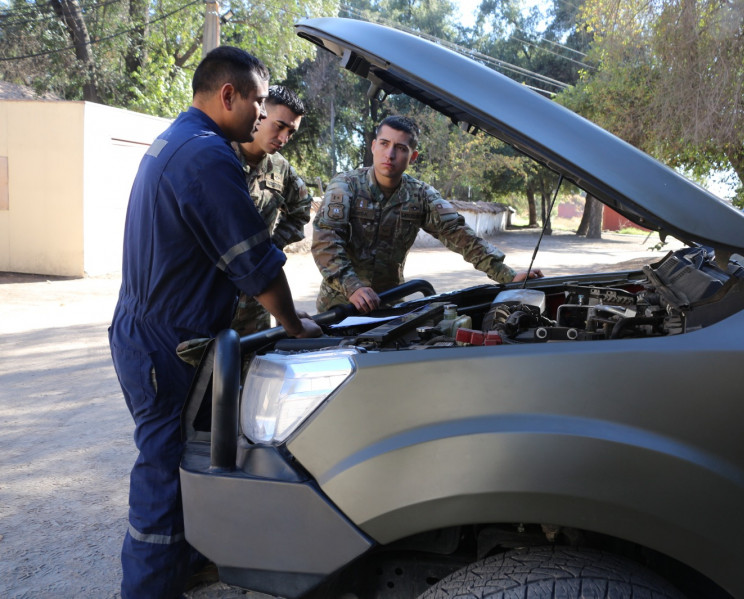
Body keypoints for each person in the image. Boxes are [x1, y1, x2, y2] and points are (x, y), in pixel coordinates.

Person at [108, 46, 320, 599]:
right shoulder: (207, 156)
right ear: (228, 95)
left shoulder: (176, 140)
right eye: (255, 101)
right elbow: (256, 265)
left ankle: (183, 566)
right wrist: (296, 327)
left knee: (187, 460)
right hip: (165, 343)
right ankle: (149, 589)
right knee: (164, 470)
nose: (260, 114)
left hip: (155, 331)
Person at [312, 115, 542, 314]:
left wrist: (507, 275)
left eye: (401, 148)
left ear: (413, 157)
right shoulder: (345, 186)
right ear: (373, 146)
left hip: (388, 304)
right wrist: (353, 287)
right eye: (384, 143)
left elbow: (459, 235)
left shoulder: (421, 195)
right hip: (339, 306)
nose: (389, 154)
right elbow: (326, 242)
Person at [229, 84, 313, 335]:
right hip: (215, 298)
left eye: (291, 132)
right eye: (279, 126)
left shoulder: (280, 167)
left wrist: (271, 248)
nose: (284, 138)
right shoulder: (220, 156)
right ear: (260, 112)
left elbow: (301, 209)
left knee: (252, 370)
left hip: (257, 302)